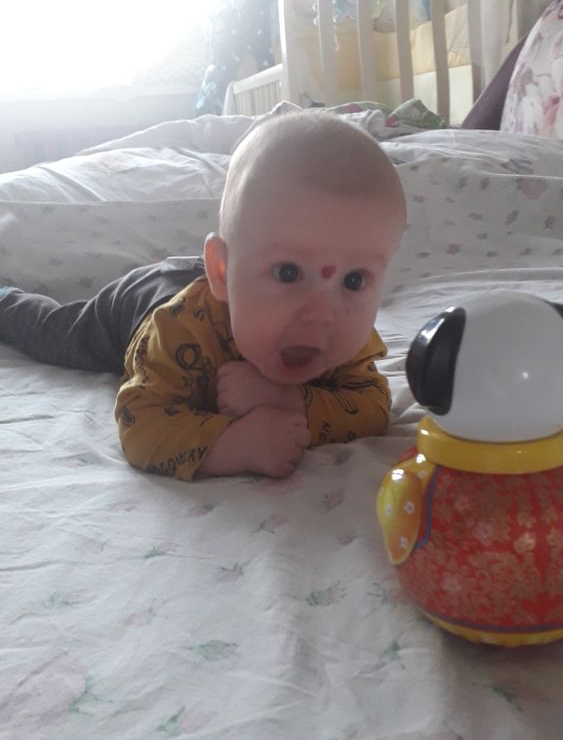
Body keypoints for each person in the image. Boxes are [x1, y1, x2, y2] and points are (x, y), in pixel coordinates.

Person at [0, 111, 406, 480]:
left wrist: (288, 400)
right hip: (140, 302)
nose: (321, 314)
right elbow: (141, 423)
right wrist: (232, 444)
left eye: (354, 280)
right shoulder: (177, 332)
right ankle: (7, 300)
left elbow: (372, 406)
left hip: (213, 275)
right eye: (289, 272)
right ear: (222, 272)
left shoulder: (345, 334)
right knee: (58, 335)